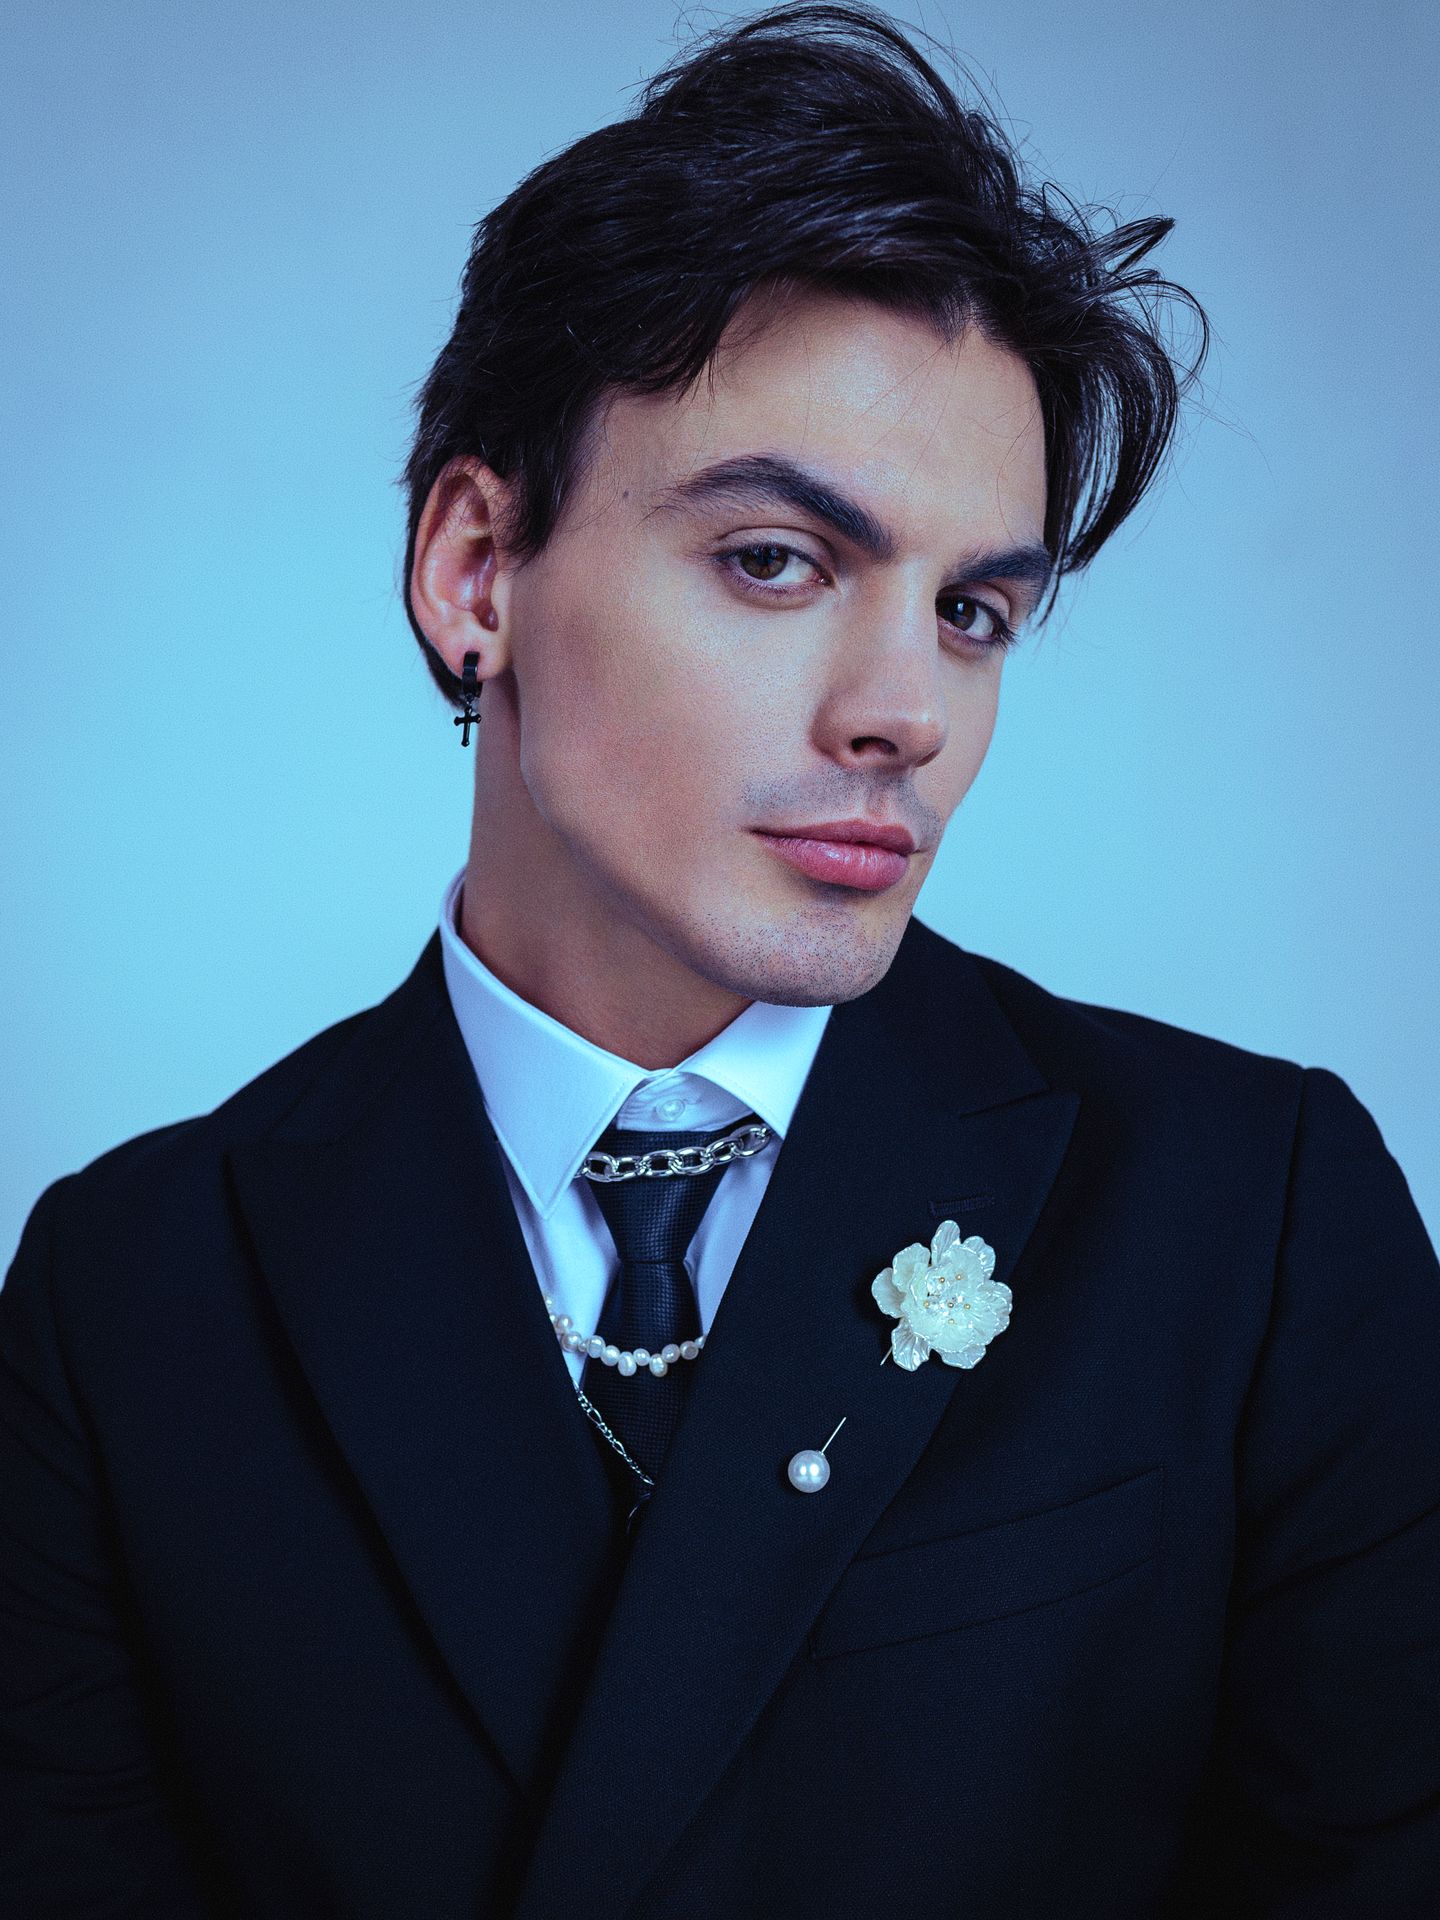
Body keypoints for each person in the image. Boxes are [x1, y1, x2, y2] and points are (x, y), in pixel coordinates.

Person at [3, 4, 1437, 1914]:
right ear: (476, 571)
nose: (904, 711)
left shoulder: (1250, 1217)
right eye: (776, 559)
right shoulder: (132, 1298)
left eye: (974, 609)